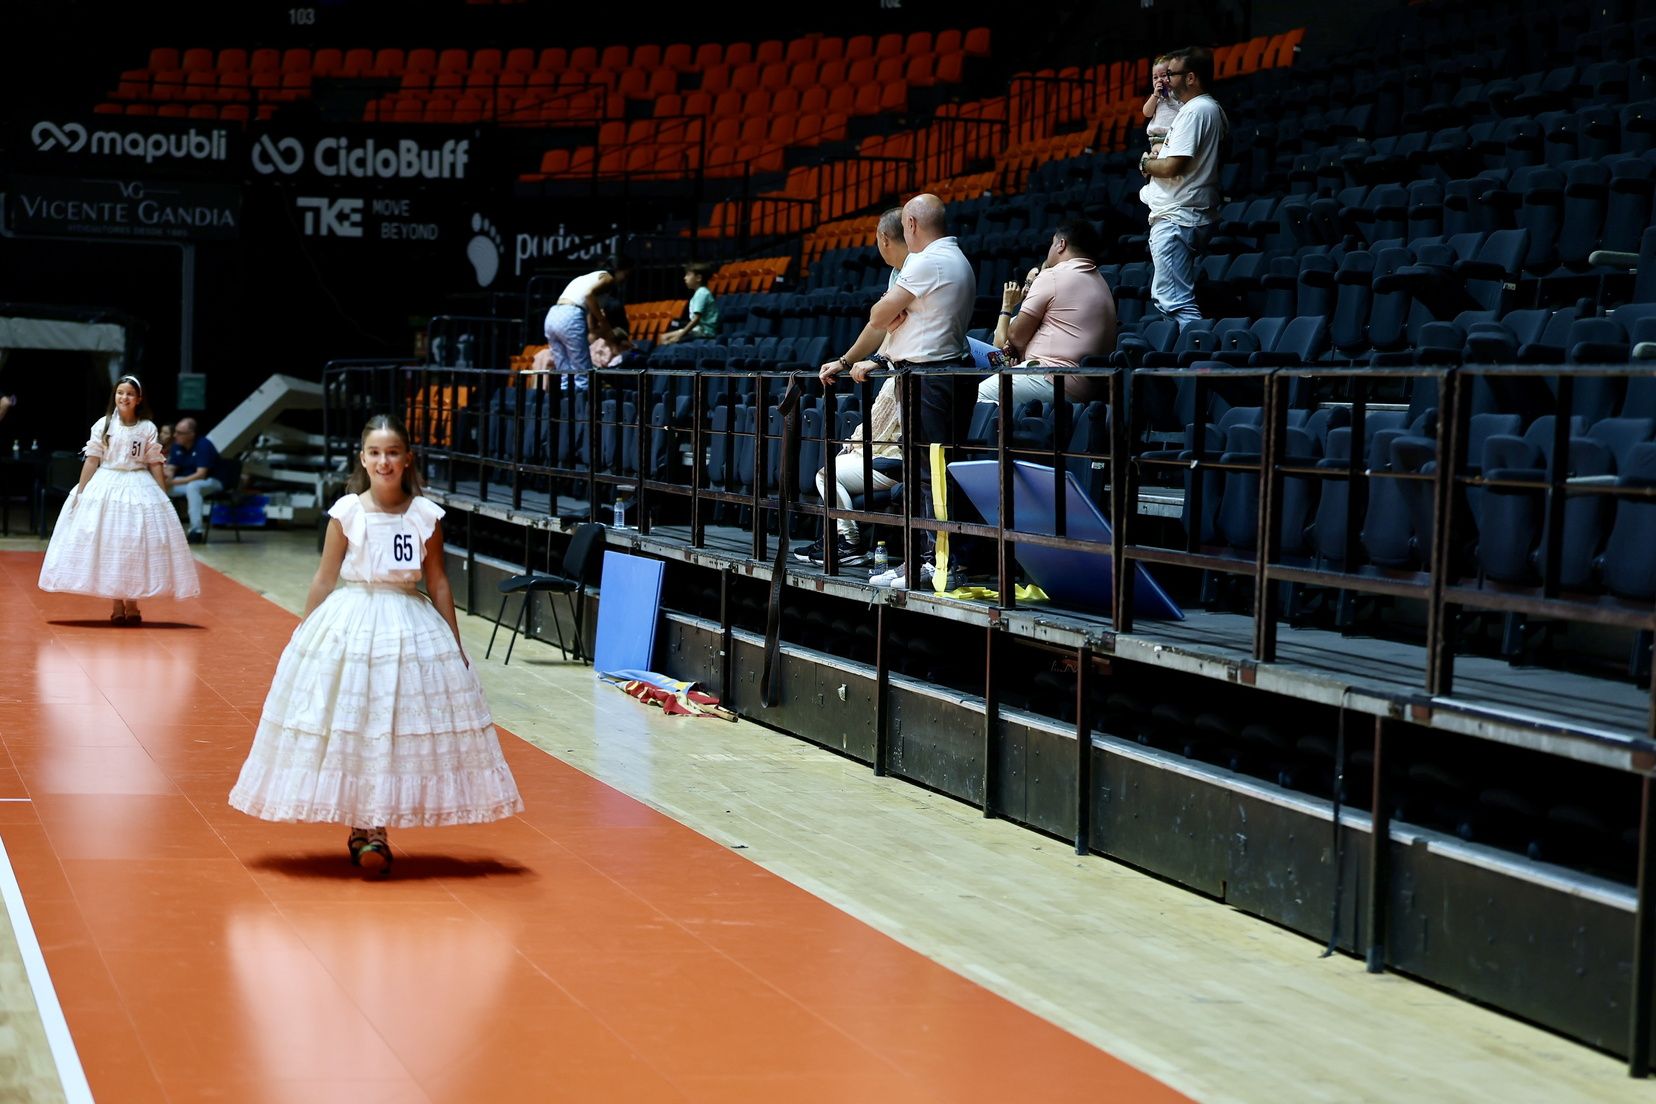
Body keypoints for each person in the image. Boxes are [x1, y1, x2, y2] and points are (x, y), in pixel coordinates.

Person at [228, 414, 523, 876]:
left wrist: (454, 642)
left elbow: (439, 582)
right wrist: (304, 633)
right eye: (375, 453)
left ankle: (377, 827)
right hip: (353, 621)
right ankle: (358, 826)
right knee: (354, 721)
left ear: (407, 459)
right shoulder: (346, 512)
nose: (383, 461)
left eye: (392, 453)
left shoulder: (425, 515)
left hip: (408, 623)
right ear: (362, 459)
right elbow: (325, 577)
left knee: (393, 724)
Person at [821, 193, 975, 589]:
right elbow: (887, 318)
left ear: (910, 225)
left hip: (931, 379)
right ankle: (928, 560)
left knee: (930, 476)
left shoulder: (928, 261)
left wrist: (889, 316)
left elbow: (877, 315)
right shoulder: (954, 257)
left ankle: (937, 563)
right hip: (937, 376)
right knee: (927, 473)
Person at [37, 375, 200, 623]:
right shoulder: (103, 425)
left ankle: (133, 603)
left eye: (130, 394)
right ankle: (116, 604)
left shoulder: (147, 428)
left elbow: (154, 461)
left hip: (137, 483)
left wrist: (162, 494)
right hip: (107, 482)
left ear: (139, 399)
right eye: (120, 393)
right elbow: (92, 459)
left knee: (133, 544)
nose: (124, 398)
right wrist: (81, 492)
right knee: (110, 543)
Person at [798, 208, 910, 566]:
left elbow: (881, 326)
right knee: (841, 460)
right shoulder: (900, 275)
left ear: (883, 240)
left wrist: (859, 361)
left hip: (900, 438)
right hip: (893, 408)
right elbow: (882, 327)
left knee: (827, 473)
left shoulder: (917, 273)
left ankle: (848, 544)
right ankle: (838, 540)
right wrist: (847, 361)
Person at [977, 220, 1118, 407]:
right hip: (1088, 385)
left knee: (975, 398)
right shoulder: (1102, 283)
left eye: (1052, 243)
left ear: (1061, 244)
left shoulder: (1053, 275)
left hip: (1051, 376)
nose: (1049, 249)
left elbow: (1016, 336)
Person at [1139, 46, 1228, 328]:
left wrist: (1145, 164)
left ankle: (1197, 363)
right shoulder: (1212, 109)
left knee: (1173, 300)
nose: (1167, 80)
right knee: (1171, 297)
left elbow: (1171, 166)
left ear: (1190, 78)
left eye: (1172, 74)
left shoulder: (1195, 111)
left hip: (1179, 216)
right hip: (1186, 212)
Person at [532, 256, 632, 391]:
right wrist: (605, 323)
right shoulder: (608, 278)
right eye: (626, 274)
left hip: (553, 315)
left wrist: (603, 330)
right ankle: (582, 409)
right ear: (619, 270)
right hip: (571, 315)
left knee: (565, 374)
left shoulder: (585, 278)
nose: (625, 279)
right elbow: (588, 295)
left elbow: (591, 320)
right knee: (583, 374)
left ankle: (566, 407)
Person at [165, 417, 226, 543]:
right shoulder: (177, 445)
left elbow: (201, 475)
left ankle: (196, 531)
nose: (175, 435)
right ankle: (163, 531)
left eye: (179, 433)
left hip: (212, 481)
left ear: (191, 434)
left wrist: (174, 482)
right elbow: (172, 467)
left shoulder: (204, 444)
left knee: (193, 486)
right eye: (175, 432)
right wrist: (167, 476)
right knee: (159, 487)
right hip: (187, 482)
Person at [658, 262, 719, 345]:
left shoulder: (702, 293)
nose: (685, 278)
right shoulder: (701, 292)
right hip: (700, 330)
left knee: (665, 338)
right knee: (664, 338)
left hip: (704, 331)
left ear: (698, 278)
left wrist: (679, 336)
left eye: (688, 275)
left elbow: (696, 320)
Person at [1142, 56, 1181, 157]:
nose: (1159, 80)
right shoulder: (1156, 97)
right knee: (1160, 153)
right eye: (1155, 77)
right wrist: (1155, 96)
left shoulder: (1177, 94)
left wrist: (1169, 97)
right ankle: (1149, 161)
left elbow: (1180, 109)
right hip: (1158, 137)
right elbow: (1147, 113)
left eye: (1163, 75)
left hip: (1174, 136)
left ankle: (1148, 163)